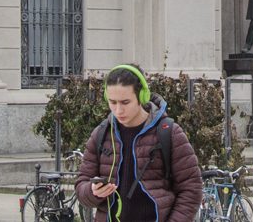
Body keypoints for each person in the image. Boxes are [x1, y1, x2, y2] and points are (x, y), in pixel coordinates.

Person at [75, 64, 202, 222]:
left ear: (142, 97)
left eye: (125, 102)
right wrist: (92, 191)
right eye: (112, 102)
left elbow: (191, 189)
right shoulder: (101, 133)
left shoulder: (170, 133)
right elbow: (81, 187)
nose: (118, 110)